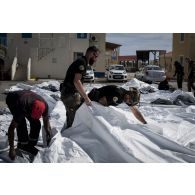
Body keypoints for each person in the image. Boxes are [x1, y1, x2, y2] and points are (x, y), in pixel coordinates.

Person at [61, 46, 100, 128]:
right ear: (92, 54)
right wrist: (86, 98)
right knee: (74, 120)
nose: (96, 59)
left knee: (73, 117)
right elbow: (76, 81)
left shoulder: (82, 61)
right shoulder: (82, 62)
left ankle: (69, 134)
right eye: (96, 56)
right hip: (70, 94)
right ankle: (69, 137)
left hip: (69, 93)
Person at [6, 90, 51, 160]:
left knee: (36, 123)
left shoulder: (45, 105)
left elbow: (46, 120)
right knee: (21, 123)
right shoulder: (22, 107)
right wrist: (12, 149)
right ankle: (22, 145)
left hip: (26, 97)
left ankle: (30, 145)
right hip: (13, 99)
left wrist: (48, 132)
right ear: (29, 110)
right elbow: (11, 128)